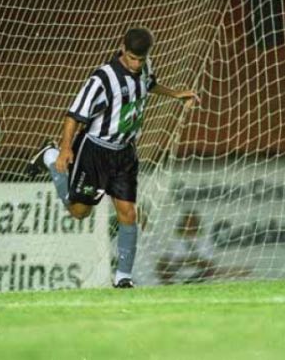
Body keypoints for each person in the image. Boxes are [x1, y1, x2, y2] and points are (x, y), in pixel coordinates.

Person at [26, 27, 198, 288]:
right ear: (122, 48)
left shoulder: (144, 66)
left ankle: (123, 279)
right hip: (96, 151)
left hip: (125, 153)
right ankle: (49, 157)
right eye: (131, 58)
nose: (136, 63)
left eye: (141, 59)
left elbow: (148, 84)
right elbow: (74, 115)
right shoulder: (102, 79)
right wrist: (64, 149)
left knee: (129, 214)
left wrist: (174, 94)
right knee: (79, 212)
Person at [155, 210, 252, 285]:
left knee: (217, 272)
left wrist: (188, 261)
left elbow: (208, 263)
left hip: (200, 278)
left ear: (197, 223)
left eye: (193, 222)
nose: (190, 225)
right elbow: (169, 263)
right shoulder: (174, 241)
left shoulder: (205, 241)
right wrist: (194, 261)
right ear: (183, 223)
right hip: (178, 278)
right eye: (187, 222)